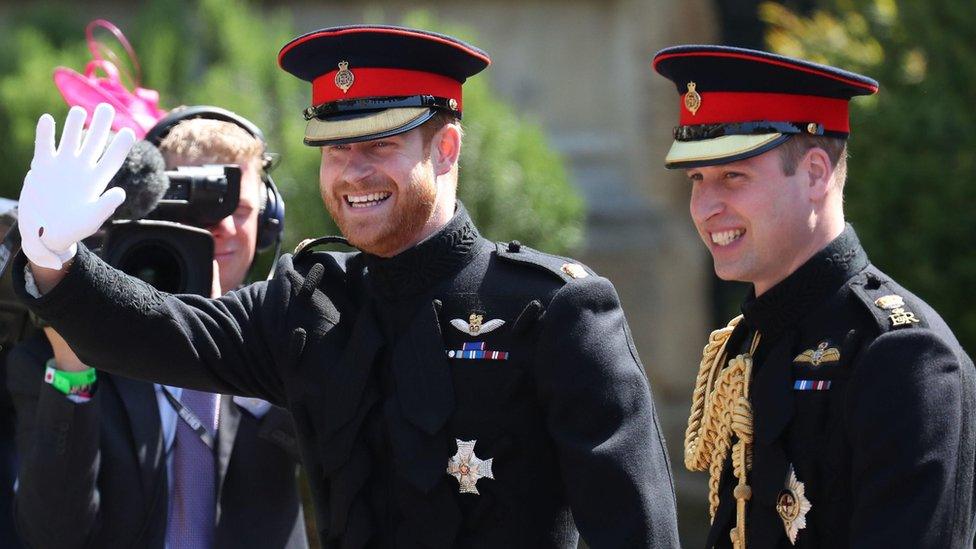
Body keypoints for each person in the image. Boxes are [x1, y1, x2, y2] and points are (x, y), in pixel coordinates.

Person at [11, 26, 680, 548]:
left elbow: (636, 531)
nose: (351, 173)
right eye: (334, 148)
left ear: (446, 150)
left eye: (378, 145)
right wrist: (54, 258)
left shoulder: (554, 309)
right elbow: (165, 332)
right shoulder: (310, 303)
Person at [653, 45, 976, 547]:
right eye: (697, 179)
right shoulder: (746, 344)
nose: (706, 207)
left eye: (733, 177)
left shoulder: (902, 354)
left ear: (816, 174)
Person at [7, 108, 308, 548]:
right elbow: (51, 534)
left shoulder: (291, 330)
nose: (220, 226)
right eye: (197, 205)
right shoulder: (60, 352)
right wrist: (72, 365)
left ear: (268, 222)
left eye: (239, 208)